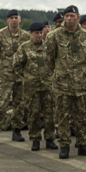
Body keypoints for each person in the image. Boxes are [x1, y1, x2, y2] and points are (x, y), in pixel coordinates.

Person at [45, 5, 86, 159]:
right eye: (66, 16)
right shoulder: (54, 36)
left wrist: (85, 74)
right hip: (63, 85)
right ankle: (64, 146)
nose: (69, 19)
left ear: (78, 18)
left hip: (81, 84)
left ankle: (83, 144)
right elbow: (48, 61)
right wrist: (52, 80)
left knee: (82, 116)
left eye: (72, 16)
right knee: (63, 117)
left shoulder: (84, 35)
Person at [13, 22, 56, 150]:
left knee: (49, 114)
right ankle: (35, 139)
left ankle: (50, 139)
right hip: (32, 87)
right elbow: (17, 65)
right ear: (31, 33)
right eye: (36, 33)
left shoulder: (48, 47)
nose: (39, 35)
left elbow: (54, 62)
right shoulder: (24, 47)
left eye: (40, 33)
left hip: (47, 86)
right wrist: (26, 77)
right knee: (34, 114)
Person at [0, 9, 27, 145]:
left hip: (20, 76)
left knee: (19, 104)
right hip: (5, 76)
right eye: (11, 18)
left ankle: (16, 130)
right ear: (7, 20)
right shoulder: (0, 35)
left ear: (20, 19)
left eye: (16, 17)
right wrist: (1, 65)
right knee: (1, 104)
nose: (14, 20)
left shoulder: (25, 36)